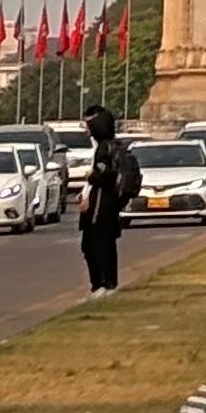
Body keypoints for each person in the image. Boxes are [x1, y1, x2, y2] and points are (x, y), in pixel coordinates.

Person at [78, 104, 135, 297]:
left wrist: (91, 177)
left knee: (94, 244)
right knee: (106, 243)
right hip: (109, 203)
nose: (87, 130)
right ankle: (108, 283)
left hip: (101, 204)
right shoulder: (114, 146)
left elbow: (105, 175)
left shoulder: (104, 149)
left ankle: (101, 284)